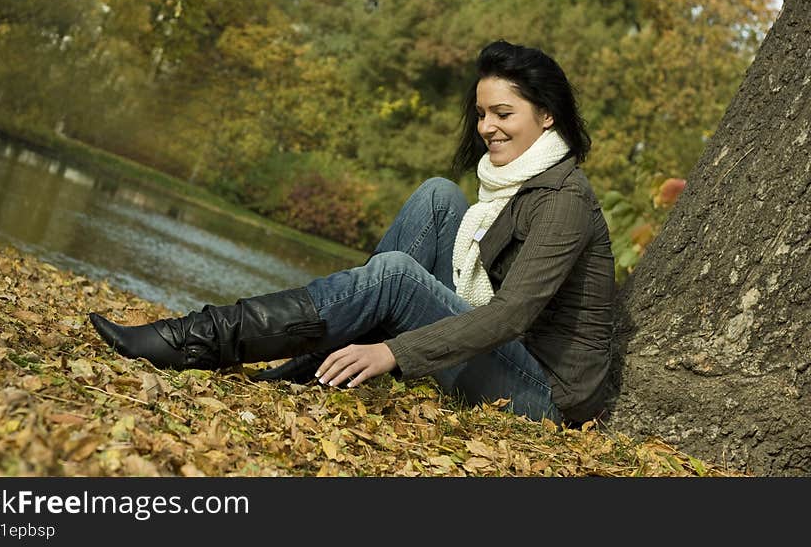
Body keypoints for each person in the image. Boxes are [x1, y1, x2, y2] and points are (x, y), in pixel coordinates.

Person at [89, 40, 615, 426]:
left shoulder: (564, 199)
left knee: (397, 277)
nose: (485, 128)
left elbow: (511, 314)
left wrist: (394, 353)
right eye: (481, 114)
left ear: (546, 115)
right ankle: (316, 360)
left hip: (541, 393)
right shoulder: (516, 182)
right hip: (505, 350)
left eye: (504, 113)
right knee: (436, 195)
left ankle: (196, 341)